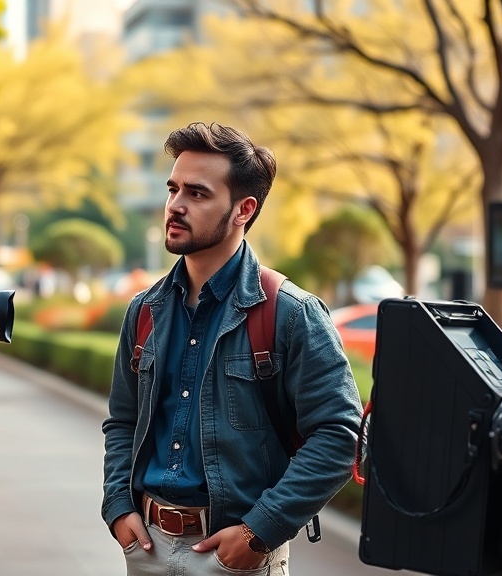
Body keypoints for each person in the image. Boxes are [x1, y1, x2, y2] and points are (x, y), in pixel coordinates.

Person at [101, 122, 363, 575]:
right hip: (145, 548)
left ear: (243, 209)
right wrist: (118, 508)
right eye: (173, 189)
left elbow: (341, 437)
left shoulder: (290, 312)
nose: (175, 206)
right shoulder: (145, 310)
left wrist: (260, 530)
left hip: (236, 554)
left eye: (197, 194)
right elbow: (123, 420)